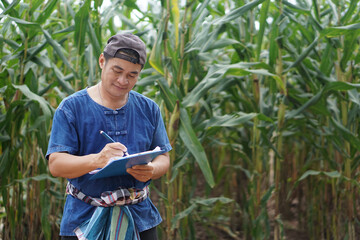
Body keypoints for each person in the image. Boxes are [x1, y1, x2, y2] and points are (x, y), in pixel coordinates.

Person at [46, 33, 172, 240]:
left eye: (132, 75)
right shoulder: (71, 108)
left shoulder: (149, 109)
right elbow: (56, 165)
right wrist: (98, 159)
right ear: (102, 61)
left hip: (140, 217)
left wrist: (151, 170)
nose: (123, 80)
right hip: (84, 218)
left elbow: (164, 157)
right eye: (117, 70)